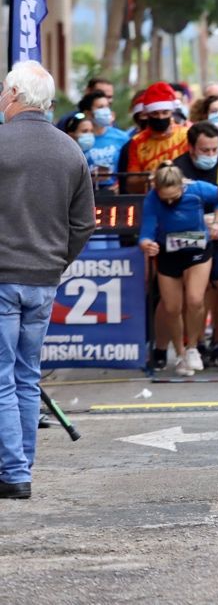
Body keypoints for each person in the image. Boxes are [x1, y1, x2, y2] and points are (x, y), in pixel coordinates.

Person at [0, 61, 95, 499]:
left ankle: (13, 472)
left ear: (16, 95)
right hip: (44, 278)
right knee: (26, 377)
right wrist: (58, 262)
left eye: (4, 92)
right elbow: (84, 224)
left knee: (3, 378)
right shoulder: (70, 150)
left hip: (3, 277)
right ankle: (22, 468)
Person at [139, 161, 218, 377]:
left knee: (195, 299)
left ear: (182, 187)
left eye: (173, 198)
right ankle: (180, 352)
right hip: (169, 252)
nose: (168, 201)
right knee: (171, 308)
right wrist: (146, 243)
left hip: (198, 249)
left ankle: (193, 346)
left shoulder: (198, 189)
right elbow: (146, 230)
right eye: (164, 198)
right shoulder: (152, 199)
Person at [173, 121, 218, 372]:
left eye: (214, 149)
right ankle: (196, 344)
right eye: (205, 150)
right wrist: (201, 221)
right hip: (189, 242)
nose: (211, 155)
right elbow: (171, 207)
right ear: (191, 148)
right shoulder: (178, 168)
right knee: (194, 297)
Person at [124, 81, 190, 194]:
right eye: (155, 113)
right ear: (147, 114)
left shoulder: (186, 136)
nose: (160, 117)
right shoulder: (137, 142)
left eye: (165, 113)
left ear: (172, 112)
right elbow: (132, 183)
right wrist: (154, 177)